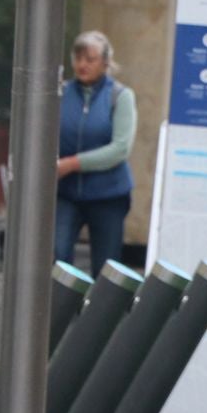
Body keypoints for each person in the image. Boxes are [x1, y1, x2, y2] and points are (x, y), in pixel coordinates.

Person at [55, 31, 138, 273]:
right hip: (66, 192)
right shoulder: (61, 93)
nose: (82, 65)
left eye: (90, 59)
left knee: (105, 265)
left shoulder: (119, 96)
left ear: (105, 63)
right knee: (57, 253)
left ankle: (98, 310)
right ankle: (60, 309)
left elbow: (120, 149)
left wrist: (72, 164)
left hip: (108, 194)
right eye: (78, 58)